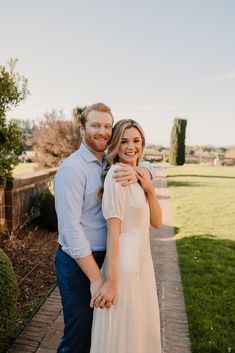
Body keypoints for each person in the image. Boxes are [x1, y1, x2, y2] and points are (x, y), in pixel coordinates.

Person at [54, 103, 155, 353]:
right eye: (96, 125)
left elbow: (146, 164)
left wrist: (142, 173)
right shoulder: (72, 169)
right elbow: (70, 232)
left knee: (102, 336)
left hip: (111, 257)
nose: (103, 131)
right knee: (79, 336)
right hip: (80, 263)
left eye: (108, 126)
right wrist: (98, 278)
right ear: (82, 128)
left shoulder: (109, 161)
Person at [90, 119, 162, 353]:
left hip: (142, 261)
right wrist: (112, 282)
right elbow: (114, 233)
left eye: (136, 141)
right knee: (123, 337)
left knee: (139, 332)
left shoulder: (139, 175)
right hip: (124, 267)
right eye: (124, 141)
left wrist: (148, 186)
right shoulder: (117, 176)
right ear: (115, 145)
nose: (131, 147)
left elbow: (157, 222)